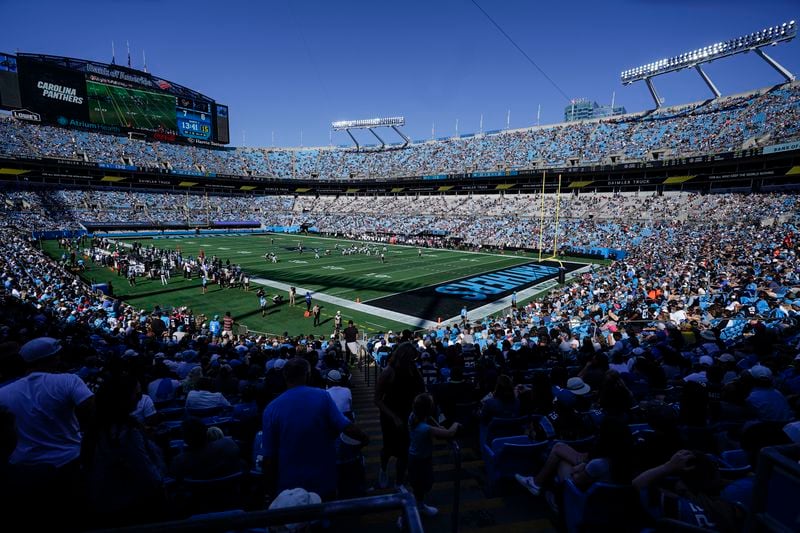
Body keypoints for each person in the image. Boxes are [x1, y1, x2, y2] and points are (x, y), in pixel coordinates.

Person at [0, 337, 95, 526]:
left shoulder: (3, 392)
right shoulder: (68, 380)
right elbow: (95, 414)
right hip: (70, 463)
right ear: (53, 358)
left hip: (23, 469)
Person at [262, 358, 369, 500]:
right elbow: (346, 426)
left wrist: (270, 491)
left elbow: (268, 457)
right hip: (323, 480)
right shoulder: (321, 396)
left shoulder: (271, 408)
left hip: (288, 489)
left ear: (285, 376)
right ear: (307, 375)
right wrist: (364, 438)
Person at [87, 374, 167, 527]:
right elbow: (150, 476)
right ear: (122, 399)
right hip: (131, 509)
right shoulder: (127, 433)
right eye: (136, 394)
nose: (139, 398)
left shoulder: (97, 428)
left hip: (109, 505)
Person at [375, 342, 425, 489]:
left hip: (409, 415)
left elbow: (421, 390)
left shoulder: (414, 370)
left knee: (404, 451)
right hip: (391, 416)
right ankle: (383, 469)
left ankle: (399, 482)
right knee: (388, 449)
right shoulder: (388, 372)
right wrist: (393, 417)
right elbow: (377, 399)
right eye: (410, 359)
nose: (413, 362)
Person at [406, 393, 459, 518]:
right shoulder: (424, 428)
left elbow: (429, 418)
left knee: (419, 485)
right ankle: (410, 513)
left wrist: (437, 424)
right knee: (423, 484)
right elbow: (450, 433)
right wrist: (456, 423)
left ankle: (419, 505)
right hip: (420, 460)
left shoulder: (413, 416)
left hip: (416, 457)